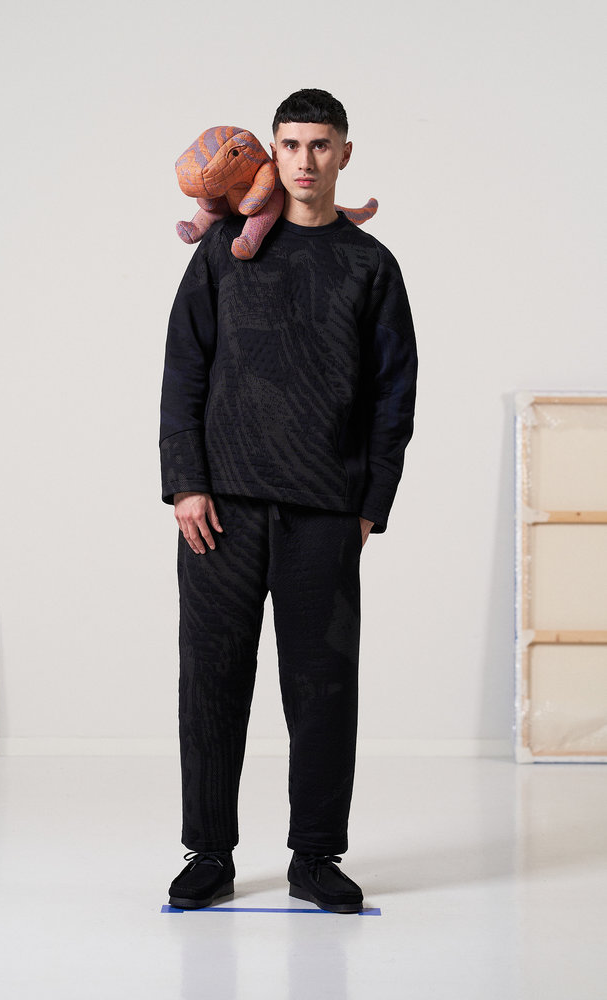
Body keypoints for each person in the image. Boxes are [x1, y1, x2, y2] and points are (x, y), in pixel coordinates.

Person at [159, 88, 417, 913]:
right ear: (272, 153)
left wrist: (370, 503)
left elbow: (393, 394)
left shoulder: (369, 265)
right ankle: (208, 853)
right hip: (220, 511)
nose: (305, 160)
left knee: (322, 688)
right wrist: (185, 482)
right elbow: (184, 366)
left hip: (323, 510)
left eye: (320, 144)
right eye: (291, 145)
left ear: (344, 153)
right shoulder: (223, 249)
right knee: (210, 682)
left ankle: (314, 857)